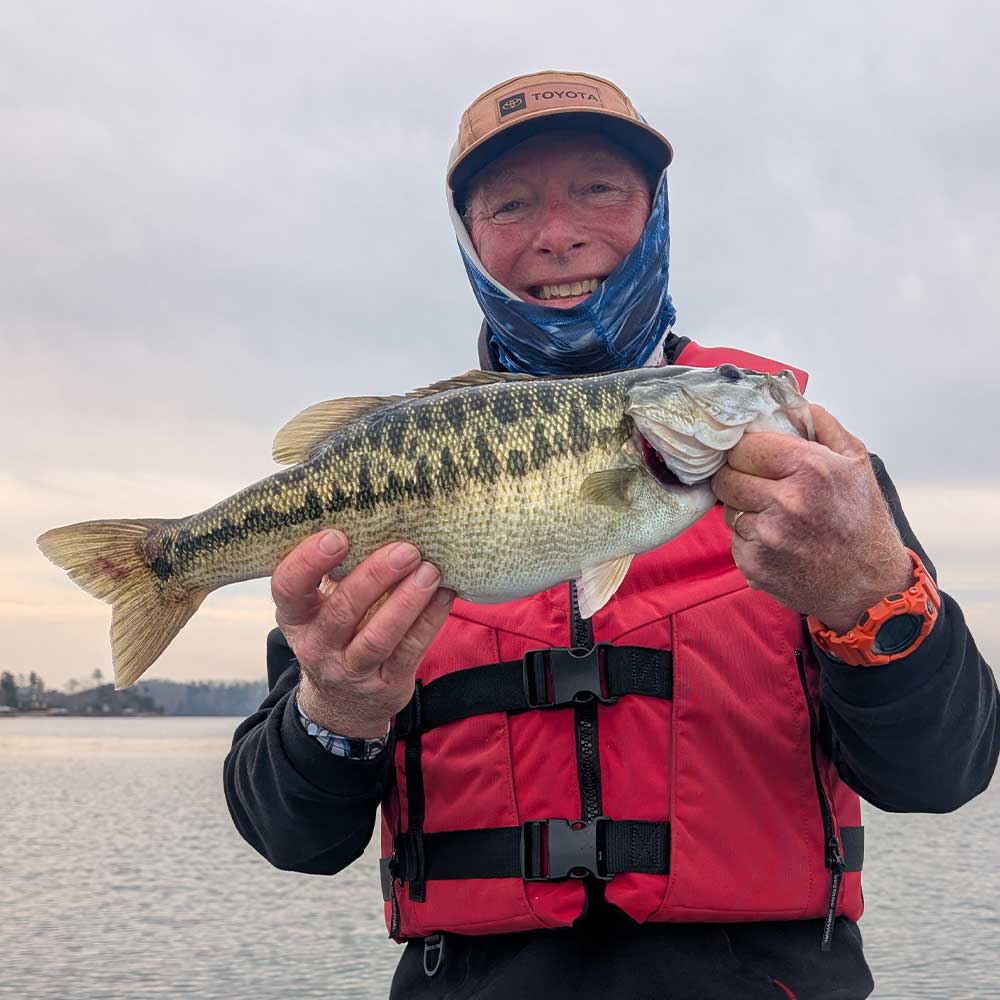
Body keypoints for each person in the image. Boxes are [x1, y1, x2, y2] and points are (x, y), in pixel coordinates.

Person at [224, 71, 998, 999]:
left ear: (657, 211)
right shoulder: (401, 474)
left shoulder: (814, 491)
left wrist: (866, 590)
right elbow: (291, 838)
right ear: (469, 241)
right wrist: (335, 711)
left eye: (598, 188)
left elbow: (945, 772)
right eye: (511, 204)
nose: (557, 233)